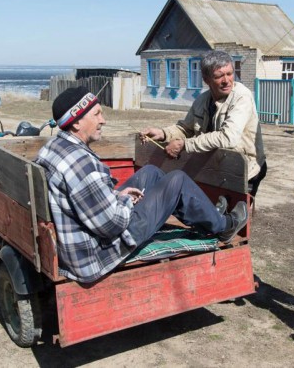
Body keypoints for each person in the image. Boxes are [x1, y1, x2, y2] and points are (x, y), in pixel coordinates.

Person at [35, 86, 249, 284]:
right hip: (99, 252)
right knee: (177, 180)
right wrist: (126, 201)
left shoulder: (54, 147)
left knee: (151, 173)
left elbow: (88, 199)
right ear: (76, 122)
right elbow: (110, 225)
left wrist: (118, 197)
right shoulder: (81, 164)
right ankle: (223, 227)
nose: (103, 120)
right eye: (97, 114)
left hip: (88, 235)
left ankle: (207, 217)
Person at [140, 50, 267, 197]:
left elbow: (228, 138)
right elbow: (185, 128)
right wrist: (163, 133)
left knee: (235, 215)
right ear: (206, 79)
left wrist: (185, 145)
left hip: (245, 168)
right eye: (219, 76)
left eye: (230, 73)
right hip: (217, 167)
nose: (226, 80)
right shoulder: (202, 100)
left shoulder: (241, 97)